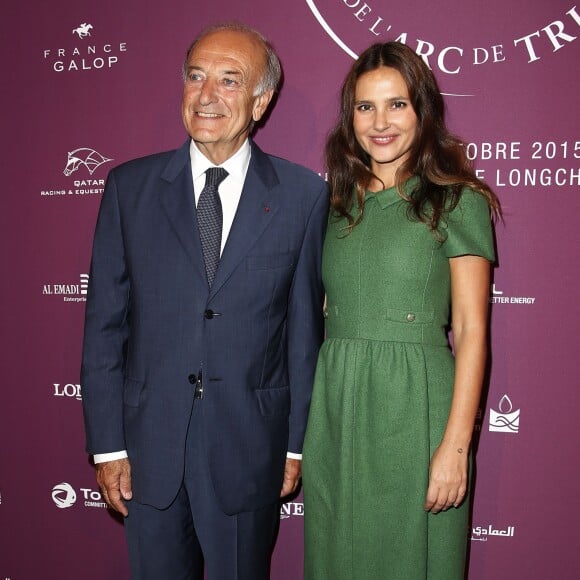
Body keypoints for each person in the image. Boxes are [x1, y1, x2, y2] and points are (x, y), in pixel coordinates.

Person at [81, 22, 328, 580]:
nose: (207, 95)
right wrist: (107, 446)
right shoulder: (129, 189)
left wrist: (294, 446)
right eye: (196, 76)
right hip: (147, 451)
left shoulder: (303, 197)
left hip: (249, 448)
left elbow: (302, 336)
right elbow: (104, 328)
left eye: (229, 80)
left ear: (262, 102)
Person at [302, 41, 501, 579]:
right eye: (366, 107)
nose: (380, 122)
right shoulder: (333, 205)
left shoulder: (458, 199)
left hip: (417, 407)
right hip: (338, 407)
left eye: (397, 104)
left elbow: (471, 330)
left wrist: (456, 447)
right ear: (350, 117)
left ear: (423, 110)